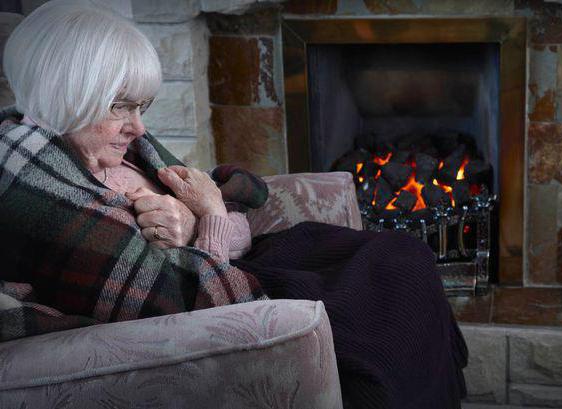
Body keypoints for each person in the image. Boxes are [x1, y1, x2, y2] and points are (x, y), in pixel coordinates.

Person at [0, 2, 467, 408]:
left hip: (248, 254)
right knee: (387, 315)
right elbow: (186, 298)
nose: (139, 129)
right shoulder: (35, 182)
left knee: (401, 254)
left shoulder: (100, 143)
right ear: (67, 95)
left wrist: (201, 217)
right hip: (235, 290)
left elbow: (214, 201)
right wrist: (211, 221)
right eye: (122, 107)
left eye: (143, 107)